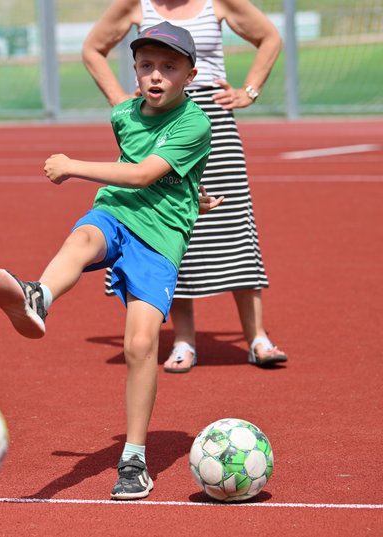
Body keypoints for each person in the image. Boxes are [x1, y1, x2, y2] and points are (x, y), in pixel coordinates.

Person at [0, 22, 221, 499]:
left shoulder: (195, 123)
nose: (155, 75)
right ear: (134, 69)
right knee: (84, 236)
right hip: (116, 213)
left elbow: (143, 173)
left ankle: (133, 459)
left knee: (140, 345)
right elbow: (132, 164)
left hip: (160, 240)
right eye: (146, 65)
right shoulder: (124, 114)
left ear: (190, 75)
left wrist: (72, 166)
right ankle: (39, 295)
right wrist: (190, 189)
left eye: (169, 67)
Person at [83, 0, 288, 373]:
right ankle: (183, 340)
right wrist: (119, 100)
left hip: (211, 117)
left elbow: (269, 37)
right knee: (166, 227)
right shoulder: (134, 4)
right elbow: (93, 49)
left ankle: (257, 337)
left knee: (233, 225)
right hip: (156, 125)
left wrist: (249, 91)